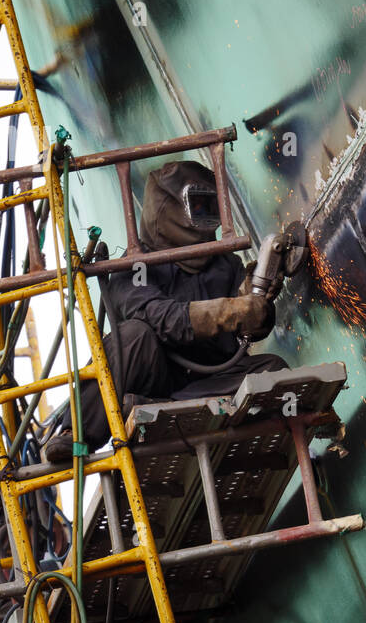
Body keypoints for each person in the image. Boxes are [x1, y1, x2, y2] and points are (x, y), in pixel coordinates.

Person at [42, 160, 288, 462]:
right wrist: (232, 310)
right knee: (133, 335)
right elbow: (163, 320)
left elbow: (251, 329)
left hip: (205, 385)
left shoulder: (225, 265)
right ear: (167, 210)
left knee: (273, 369)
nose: (205, 218)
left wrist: (256, 299)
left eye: (210, 208)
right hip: (156, 376)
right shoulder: (133, 268)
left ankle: (161, 407)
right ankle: (76, 434)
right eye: (197, 208)